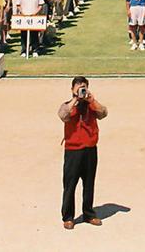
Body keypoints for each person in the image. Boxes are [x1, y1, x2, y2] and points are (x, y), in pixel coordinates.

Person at [58, 76, 107, 229]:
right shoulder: (68, 105)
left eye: (84, 86)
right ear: (72, 89)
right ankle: (68, 217)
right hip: (73, 151)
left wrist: (91, 100)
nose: (81, 89)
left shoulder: (91, 105)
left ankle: (89, 214)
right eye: (78, 87)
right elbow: (63, 115)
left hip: (90, 149)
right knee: (70, 185)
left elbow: (103, 113)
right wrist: (75, 100)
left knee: (89, 183)